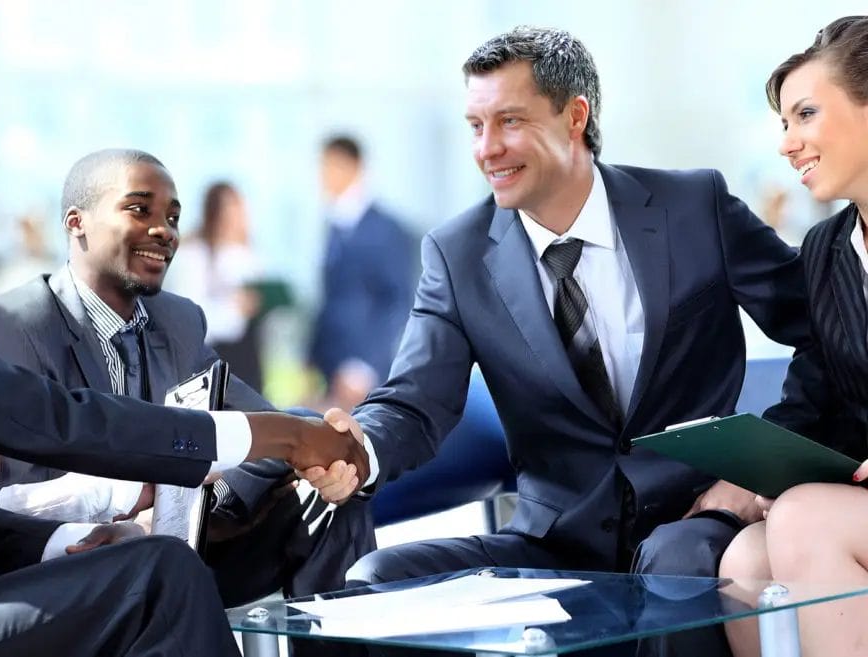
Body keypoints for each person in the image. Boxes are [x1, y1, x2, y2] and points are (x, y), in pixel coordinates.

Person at [303, 26, 810, 656]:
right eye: (474, 125)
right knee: (377, 580)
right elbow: (415, 400)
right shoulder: (457, 255)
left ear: (575, 117)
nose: (487, 149)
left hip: (693, 520)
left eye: (508, 121)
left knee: (674, 567)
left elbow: (822, 330)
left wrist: (757, 471)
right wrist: (359, 448)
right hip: (554, 543)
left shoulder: (691, 206)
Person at [0, 104, 369, 657]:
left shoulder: (176, 318)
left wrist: (76, 540)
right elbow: (55, 420)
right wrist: (282, 437)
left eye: (173, 214)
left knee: (160, 565)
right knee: (161, 577)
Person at [0, 150, 375, 607]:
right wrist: (142, 514)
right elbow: (16, 505)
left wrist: (191, 508)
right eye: (139, 209)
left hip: (177, 548)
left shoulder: (178, 320)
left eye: (174, 216)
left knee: (326, 495)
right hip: (80, 568)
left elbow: (266, 430)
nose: (164, 230)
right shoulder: (16, 323)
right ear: (75, 222)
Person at [718, 16, 868, 657]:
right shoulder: (826, 249)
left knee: (806, 520)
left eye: (805, 114)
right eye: (784, 122)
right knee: (746, 559)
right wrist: (756, 468)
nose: (787, 144)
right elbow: (816, 393)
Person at [308, 135, 414, 410]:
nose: (324, 176)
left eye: (331, 166)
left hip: (361, 374)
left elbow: (396, 301)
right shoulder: (334, 224)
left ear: (353, 167)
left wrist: (364, 366)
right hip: (330, 367)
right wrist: (310, 359)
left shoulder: (385, 229)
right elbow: (330, 299)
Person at [164, 181, 265, 391]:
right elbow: (191, 315)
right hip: (212, 359)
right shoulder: (194, 255)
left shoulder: (248, 256)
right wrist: (234, 308)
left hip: (248, 359)